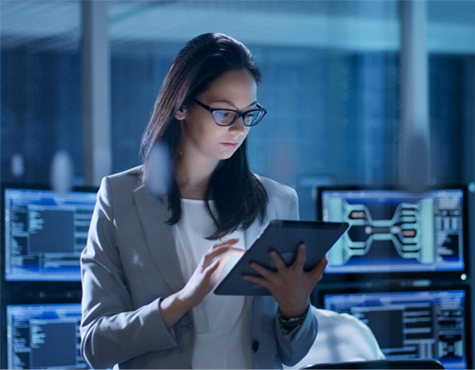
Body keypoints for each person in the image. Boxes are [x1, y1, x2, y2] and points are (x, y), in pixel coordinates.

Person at [80, 33, 326, 370]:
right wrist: (181, 302)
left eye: (248, 114)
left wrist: (295, 309)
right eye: (225, 113)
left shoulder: (278, 202)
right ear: (181, 106)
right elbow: (95, 346)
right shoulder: (120, 199)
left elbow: (292, 354)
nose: (239, 129)